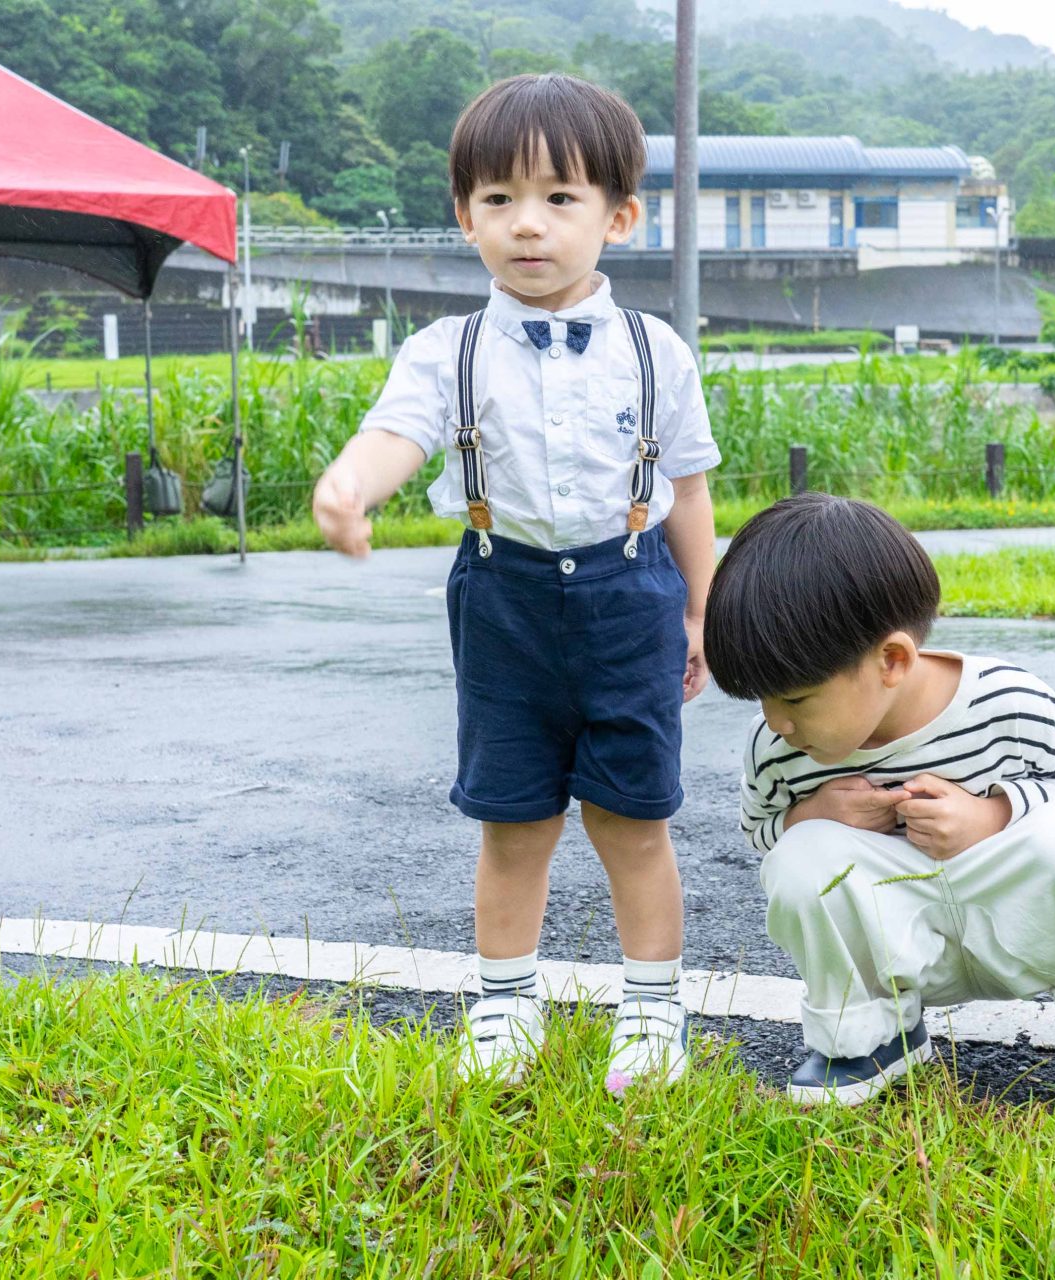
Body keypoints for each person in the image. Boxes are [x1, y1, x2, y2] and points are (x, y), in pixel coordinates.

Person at [310, 75, 720, 1092]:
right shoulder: (444, 349)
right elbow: (393, 433)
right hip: (502, 596)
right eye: (498, 199)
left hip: (632, 593)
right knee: (513, 814)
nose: (526, 224)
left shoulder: (650, 348)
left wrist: (706, 607)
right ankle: (503, 1001)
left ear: (619, 217)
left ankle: (653, 1005)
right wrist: (349, 483)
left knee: (634, 816)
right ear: (465, 215)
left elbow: (689, 488)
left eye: (559, 198)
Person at [702, 494, 1055, 1107]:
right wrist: (812, 814)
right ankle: (870, 1038)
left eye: (794, 700)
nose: (778, 723)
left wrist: (994, 814)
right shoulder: (780, 745)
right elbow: (763, 830)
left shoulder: (1004, 701)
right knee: (800, 860)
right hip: (902, 933)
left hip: (1015, 921)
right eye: (762, 701)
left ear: (892, 660)